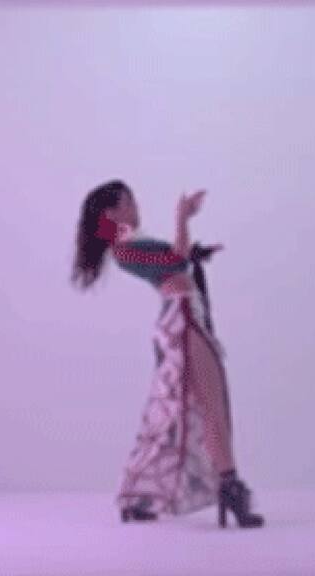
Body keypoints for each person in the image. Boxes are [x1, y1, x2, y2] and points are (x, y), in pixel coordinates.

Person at [71, 179, 264, 528]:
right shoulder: (125, 249)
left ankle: (142, 493)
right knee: (207, 406)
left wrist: (194, 254)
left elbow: (175, 259)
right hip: (181, 321)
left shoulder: (132, 244)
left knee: (183, 411)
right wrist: (182, 218)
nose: (136, 206)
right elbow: (174, 259)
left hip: (186, 317)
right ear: (112, 213)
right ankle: (228, 487)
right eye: (129, 202)